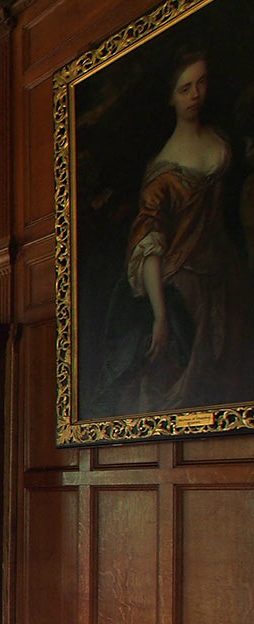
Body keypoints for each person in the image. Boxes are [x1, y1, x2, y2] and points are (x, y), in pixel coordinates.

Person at [95, 50, 250, 417]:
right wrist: (160, 315)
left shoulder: (220, 138)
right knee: (186, 382)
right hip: (186, 283)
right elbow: (148, 246)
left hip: (227, 274)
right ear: (171, 96)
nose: (195, 94)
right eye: (185, 88)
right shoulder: (162, 174)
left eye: (201, 83)